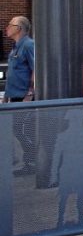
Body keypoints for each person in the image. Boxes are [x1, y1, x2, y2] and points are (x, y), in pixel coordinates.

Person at [5, 16, 36, 175]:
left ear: (19, 28)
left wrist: (29, 94)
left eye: (11, 25)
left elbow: (35, 69)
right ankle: (29, 161)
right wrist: (6, 97)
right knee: (16, 129)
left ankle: (32, 161)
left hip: (23, 97)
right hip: (14, 97)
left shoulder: (28, 45)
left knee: (20, 129)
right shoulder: (16, 47)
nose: (7, 27)